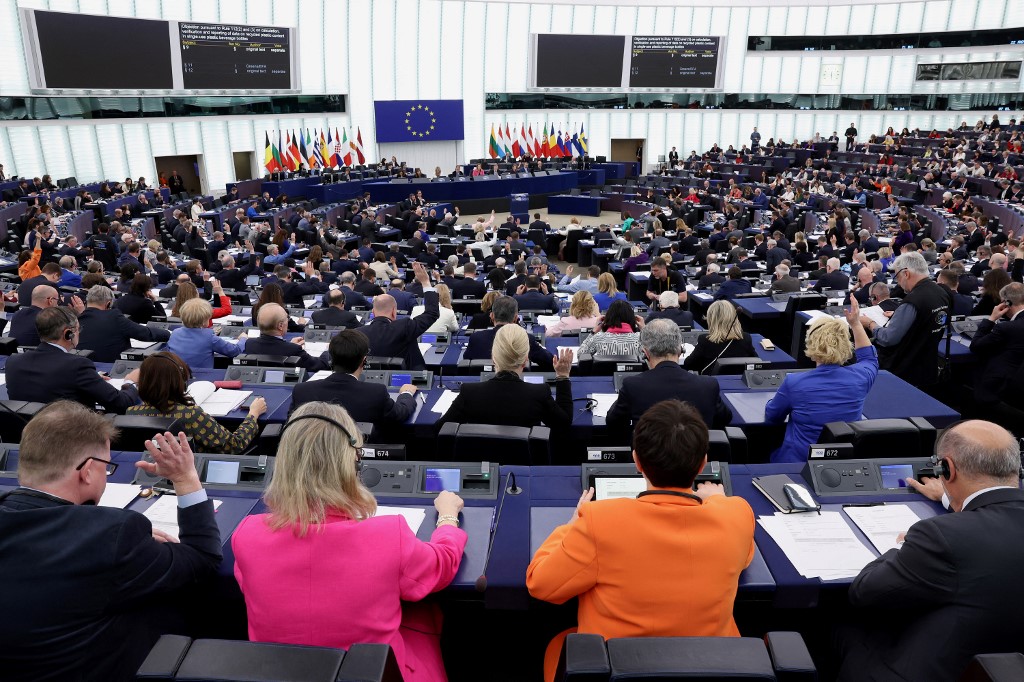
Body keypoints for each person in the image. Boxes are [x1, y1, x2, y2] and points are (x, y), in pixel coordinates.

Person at [231, 401, 466, 682]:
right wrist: (448, 518)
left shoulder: (246, 534)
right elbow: (442, 565)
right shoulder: (390, 535)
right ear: (352, 463)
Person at [528, 400, 755, 682]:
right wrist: (719, 501)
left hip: (614, 667)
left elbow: (540, 584)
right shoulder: (737, 514)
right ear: (703, 463)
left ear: (636, 461)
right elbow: (744, 555)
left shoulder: (598, 520)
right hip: (711, 669)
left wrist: (572, 524)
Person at [0, 402, 222, 681]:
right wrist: (185, 477)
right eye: (107, 467)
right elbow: (202, 558)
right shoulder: (113, 535)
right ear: (88, 470)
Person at [838, 420, 1024, 682]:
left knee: (842, 623)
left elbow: (864, 592)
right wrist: (951, 498)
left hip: (926, 672)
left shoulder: (938, 536)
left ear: (946, 468)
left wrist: (900, 545)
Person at [765, 300, 878, 462]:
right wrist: (855, 324)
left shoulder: (794, 383)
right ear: (846, 345)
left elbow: (772, 416)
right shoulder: (862, 377)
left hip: (797, 464)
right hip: (843, 462)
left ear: (812, 344)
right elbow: (869, 357)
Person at [437, 325, 574, 431]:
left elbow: (438, 430)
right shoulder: (539, 394)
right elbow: (564, 424)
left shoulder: (469, 393)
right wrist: (562, 377)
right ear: (525, 360)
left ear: (493, 358)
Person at [127, 352, 265, 453]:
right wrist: (253, 414)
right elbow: (235, 445)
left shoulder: (131, 413)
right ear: (180, 382)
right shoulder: (192, 415)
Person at [607, 320, 732, 430]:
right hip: (694, 454)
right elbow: (725, 418)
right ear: (680, 350)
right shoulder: (708, 385)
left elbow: (613, 422)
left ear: (645, 353)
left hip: (649, 454)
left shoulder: (632, 386)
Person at [291, 330, 419, 424]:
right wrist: (406, 393)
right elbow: (400, 414)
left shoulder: (302, 391)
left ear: (331, 359)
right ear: (364, 361)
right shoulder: (376, 393)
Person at [863, 252, 950, 388]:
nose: (898, 282)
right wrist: (900, 316)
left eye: (897, 277)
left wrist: (870, 323)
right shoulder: (942, 293)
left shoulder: (912, 301)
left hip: (905, 372)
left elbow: (888, 339)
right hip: (929, 366)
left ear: (906, 274)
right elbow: (928, 320)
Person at [357, 262, 438, 370]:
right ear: (394, 311)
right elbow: (432, 313)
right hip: (406, 381)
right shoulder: (405, 327)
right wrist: (426, 282)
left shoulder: (357, 334)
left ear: (373, 312)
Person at [73, 286, 169, 363]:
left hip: (83, 367)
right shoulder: (114, 316)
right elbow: (144, 333)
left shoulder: (76, 319)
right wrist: (168, 334)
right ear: (108, 304)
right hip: (112, 367)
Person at [968, 282, 1024, 407]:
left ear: (1006, 303)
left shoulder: (1007, 328)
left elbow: (976, 346)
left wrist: (991, 319)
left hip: (999, 388)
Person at [463, 295, 555, 370]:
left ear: (491, 316)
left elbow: (466, 361)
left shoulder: (476, 338)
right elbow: (551, 362)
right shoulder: (525, 338)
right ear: (516, 318)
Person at [247, 303, 329, 371]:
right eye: (287, 318)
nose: (288, 320)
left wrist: (289, 345)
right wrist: (328, 349)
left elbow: (274, 349)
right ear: (280, 326)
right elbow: (321, 365)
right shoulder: (293, 350)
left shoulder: (249, 344)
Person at [167, 298, 245, 369]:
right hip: (202, 377)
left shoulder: (175, 333)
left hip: (178, 376)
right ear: (205, 321)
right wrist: (243, 339)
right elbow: (234, 351)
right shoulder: (209, 337)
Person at [683, 300, 757, 374]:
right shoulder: (746, 338)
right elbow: (756, 362)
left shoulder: (705, 340)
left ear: (712, 319)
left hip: (712, 383)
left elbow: (688, 364)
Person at [577, 299, 643, 357]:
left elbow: (580, 355)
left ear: (608, 317)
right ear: (632, 319)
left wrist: (594, 331)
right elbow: (653, 355)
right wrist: (644, 329)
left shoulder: (599, 338)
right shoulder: (640, 339)